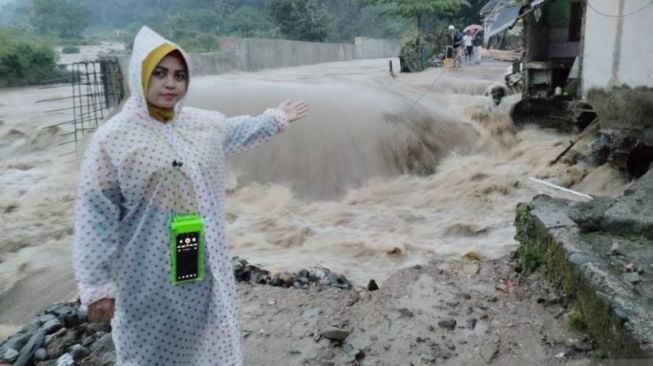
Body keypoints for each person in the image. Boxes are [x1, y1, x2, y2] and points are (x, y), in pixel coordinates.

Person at [73, 26, 308, 365]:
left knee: (207, 327)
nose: (171, 83)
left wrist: (276, 118)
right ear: (139, 74)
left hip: (198, 252)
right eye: (160, 73)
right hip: (145, 267)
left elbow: (236, 130)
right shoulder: (113, 139)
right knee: (150, 340)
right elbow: (96, 213)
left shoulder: (200, 124)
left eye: (180, 75)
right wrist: (97, 285)